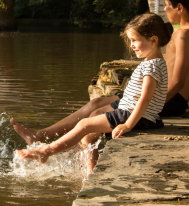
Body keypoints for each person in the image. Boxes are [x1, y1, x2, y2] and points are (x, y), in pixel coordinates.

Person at [10, 0, 189, 146]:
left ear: (179, 8)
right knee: (96, 102)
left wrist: (152, 106)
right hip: (167, 97)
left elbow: (178, 81)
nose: (164, 9)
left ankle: (50, 141)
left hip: (168, 101)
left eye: (167, 6)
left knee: (97, 111)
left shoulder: (184, 35)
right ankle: (45, 137)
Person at [15, 13, 172, 172]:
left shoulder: (152, 66)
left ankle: (45, 152)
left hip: (133, 117)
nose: (131, 45)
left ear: (153, 40)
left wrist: (127, 125)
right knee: (88, 135)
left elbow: (145, 99)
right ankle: (90, 172)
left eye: (135, 40)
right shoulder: (153, 62)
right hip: (132, 114)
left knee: (84, 124)